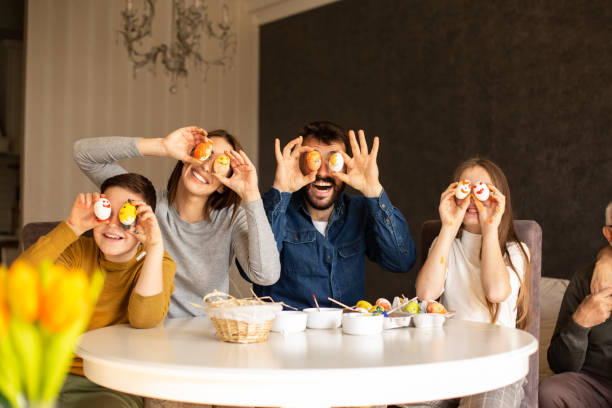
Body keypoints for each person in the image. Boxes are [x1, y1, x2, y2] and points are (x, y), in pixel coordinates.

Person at [73, 127, 280, 317]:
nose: (206, 166)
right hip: (150, 332)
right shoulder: (146, 205)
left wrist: (251, 193)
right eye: (205, 153)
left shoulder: (231, 219)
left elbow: (266, 275)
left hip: (209, 340)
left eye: (220, 163)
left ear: (223, 186)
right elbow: (84, 154)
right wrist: (162, 146)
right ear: (188, 157)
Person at [18, 173, 176, 408]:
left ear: (143, 221)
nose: (113, 224)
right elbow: (23, 277)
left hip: (107, 385)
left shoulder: (156, 262)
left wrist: (153, 245)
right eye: (107, 211)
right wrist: (72, 226)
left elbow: (145, 319)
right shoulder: (78, 250)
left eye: (126, 215)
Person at [248, 121, 416, 310]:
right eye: (314, 159)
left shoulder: (360, 211)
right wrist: (281, 190)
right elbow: (252, 272)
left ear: (346, 168)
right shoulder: (273, 208)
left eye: (334, 161)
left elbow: (402, 261)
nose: (322, 172)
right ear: (300, 164)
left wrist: (374, 190)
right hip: (288, 334)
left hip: (346, 333)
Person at [413, 158, 531, 407]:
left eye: (484, 191)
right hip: (447, 362)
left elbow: (496, 292)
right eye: (466, 188)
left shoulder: (516, 252)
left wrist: (490, 229)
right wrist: (449, 225)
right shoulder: (445, 246)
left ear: (499, 198)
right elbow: (426, 293)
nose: (474, 199)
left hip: (499, 365)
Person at [539, 201, 612, 408]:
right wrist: (580, 323)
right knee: (551, 391)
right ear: (608, 235)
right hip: (593, 384)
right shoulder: (585, 279)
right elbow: (559, 365)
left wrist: (605, 257)